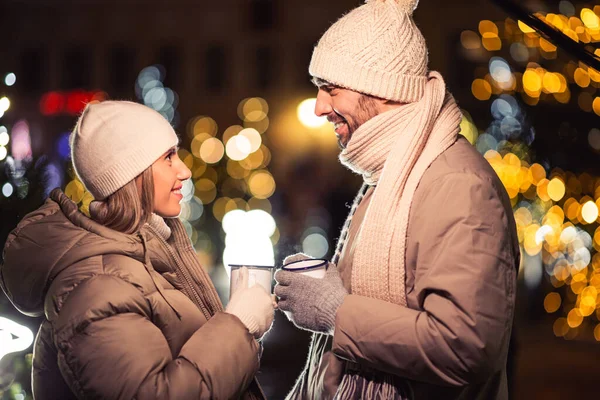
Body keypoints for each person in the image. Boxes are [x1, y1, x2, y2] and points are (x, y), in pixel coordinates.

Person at [274, 0, 520, 399]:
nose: (320, 107)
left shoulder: (456, 185)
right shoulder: (389, 176)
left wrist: (337, 311)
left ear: (383, 89)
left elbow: (467, 347)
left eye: (331, 89)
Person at [0, 101, 274, 399]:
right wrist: (238, 325)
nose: (184, 170)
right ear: (133, 174)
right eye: (168, 157)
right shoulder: (97, 286)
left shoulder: (148, 257)